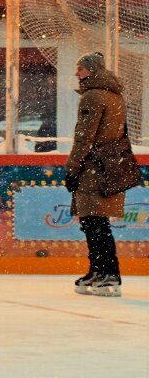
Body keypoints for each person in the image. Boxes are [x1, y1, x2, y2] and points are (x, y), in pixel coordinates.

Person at [65, 52, 127, 297]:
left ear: (91, 70)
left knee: (94, 222)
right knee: (96, 221)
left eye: (80, 68)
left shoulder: (92, 97)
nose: (77, 73)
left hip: (93, 167)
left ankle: (107, 272)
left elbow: (84, 137)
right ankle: (99, 270)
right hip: (112, 163)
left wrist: (72, 168)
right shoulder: (115, 97)